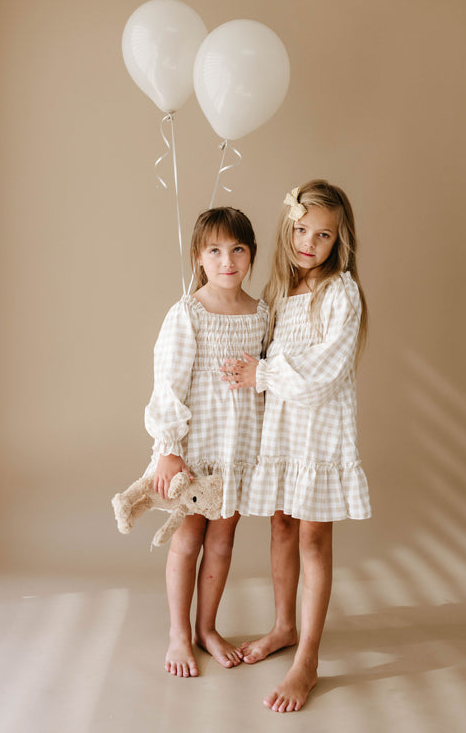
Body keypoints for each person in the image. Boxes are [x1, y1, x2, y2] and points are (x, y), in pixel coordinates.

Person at [221, 180, 371, 711]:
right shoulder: (279, 294)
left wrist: (258, 374)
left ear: (339, 241)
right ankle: (284, 626)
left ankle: (308, 658)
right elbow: (250, 348)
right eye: (301, 230)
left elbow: (322, 374)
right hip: (283, 430)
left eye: (322, 234)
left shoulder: (341, 293)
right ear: (289, 229)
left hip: (319, 430)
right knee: (280, 524)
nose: (309, 242)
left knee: (313, 539)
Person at [144, 206, 268, 677]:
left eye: (237, 249)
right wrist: (169, 448)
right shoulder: (188, 313)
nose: (227, 261)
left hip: (238, 451)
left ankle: (206, 627)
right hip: (196, 452)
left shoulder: (261, 314)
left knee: (222, 541)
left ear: (251, 255)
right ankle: (179, 632)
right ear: (199, 256)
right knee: (188, 539)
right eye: (215, 250)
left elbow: (264, 378)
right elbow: (168, 382)